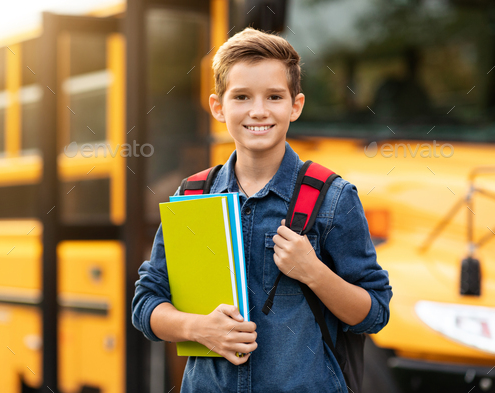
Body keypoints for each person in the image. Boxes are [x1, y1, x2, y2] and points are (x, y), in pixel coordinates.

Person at [132, 27, 392, 393]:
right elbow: (146, 302)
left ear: (295, 105)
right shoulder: (192, 196)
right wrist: (199, 328)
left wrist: (313, 272)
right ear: (218, 108)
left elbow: (375, 312)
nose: (258, 111)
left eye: (273, 96)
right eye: (241, 97)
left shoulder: (333, 199)